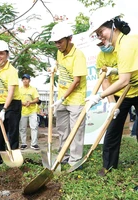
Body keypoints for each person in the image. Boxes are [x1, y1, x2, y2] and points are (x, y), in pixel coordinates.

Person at [86, 8, 138, 176]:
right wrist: (111, 103)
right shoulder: (118, 46)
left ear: (114, 26)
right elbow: (123, 74)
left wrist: (98, 97)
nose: (100, 37)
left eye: (102, 32)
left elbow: (123, 80)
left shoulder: (127, 44)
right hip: (124, 92)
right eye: (98, 35)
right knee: (113, 129)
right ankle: (108, 168)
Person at [49, 22, 87, 166]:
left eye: (60, 41)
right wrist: (54, 67)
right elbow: (60, 67)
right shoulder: (59, 53)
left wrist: (63, 97)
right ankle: (63, 156)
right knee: (62, 129)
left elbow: (76, 80)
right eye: (55, 42)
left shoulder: (79, 56)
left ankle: (75, 160)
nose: (57, 45)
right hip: (62, 99)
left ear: (69, 39)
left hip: (76, 99)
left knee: (76, 131)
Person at [0, 40, 22, 165]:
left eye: (1, 54)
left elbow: (11, 92)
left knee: (12, 132)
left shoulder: (12, 71)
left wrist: (4, 110)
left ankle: (14, 158)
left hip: (13, 104)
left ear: (7, 55)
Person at [19, 74, 40, 150]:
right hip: (22, 111)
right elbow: (17, 100)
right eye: (23, 79)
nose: (25, 80)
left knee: (34, 127)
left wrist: (30, 102)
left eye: (26, 79)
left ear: (29, 80)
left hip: (32, 111)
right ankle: (23, 143)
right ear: (22, 81)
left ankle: (34, 144)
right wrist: (23, 103)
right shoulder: (19, 89)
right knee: (22, 128)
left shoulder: (33, 89)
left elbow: (37, 99)